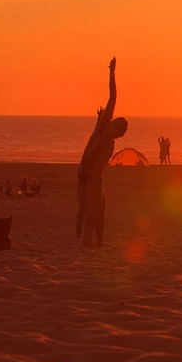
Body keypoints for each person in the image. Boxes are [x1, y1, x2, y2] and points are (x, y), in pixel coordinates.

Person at [78, 58, 129, 246]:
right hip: (92, 181)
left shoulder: (110, 142)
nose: (117, 124)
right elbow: (113, 97)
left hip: (97, 181)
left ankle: (99, 244)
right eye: (118, 121)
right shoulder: (102, 130)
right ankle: (87, 245)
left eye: (120, 126)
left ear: (119, 134)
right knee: (93, 214)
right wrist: (112, 74)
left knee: (101, 210)